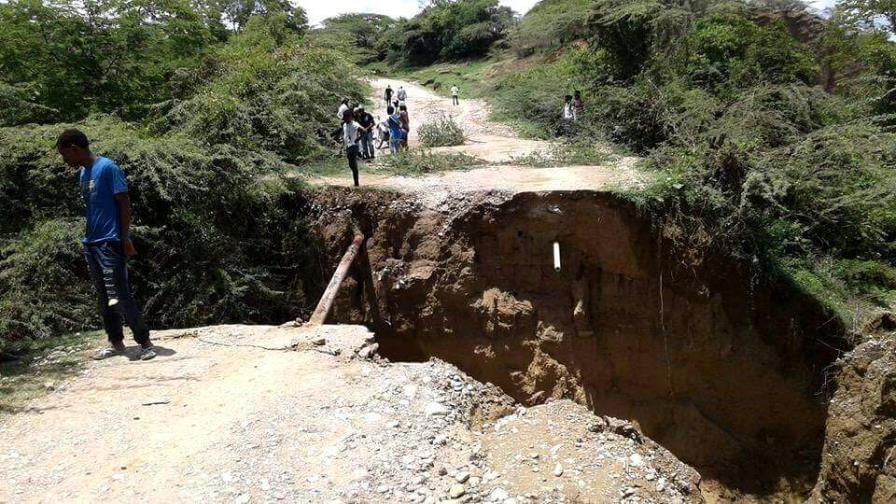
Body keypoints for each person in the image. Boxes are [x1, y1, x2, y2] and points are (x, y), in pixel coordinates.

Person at [56, 129, 156, 361]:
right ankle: (116, 342)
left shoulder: (108, 168)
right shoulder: (83, 173)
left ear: (74, 149)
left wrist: (124, 238)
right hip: (91, 243)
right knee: (104, 297)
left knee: (119, 294)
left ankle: (145, 343)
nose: (65, 160)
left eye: (65, 155)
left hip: (110, 243)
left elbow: (124, 204)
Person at [342, 109, 361, 186]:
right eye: (344, 118)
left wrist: (358, 139)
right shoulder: (344, 124)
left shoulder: (355, 124)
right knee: (351, 164)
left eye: (347, 118)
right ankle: (356, 179)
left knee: (353, 164)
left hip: (354, 146)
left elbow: (363, 130)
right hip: (348, 146)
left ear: (350, 117)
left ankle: (356, 182)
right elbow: (344, 135)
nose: (345, 119)